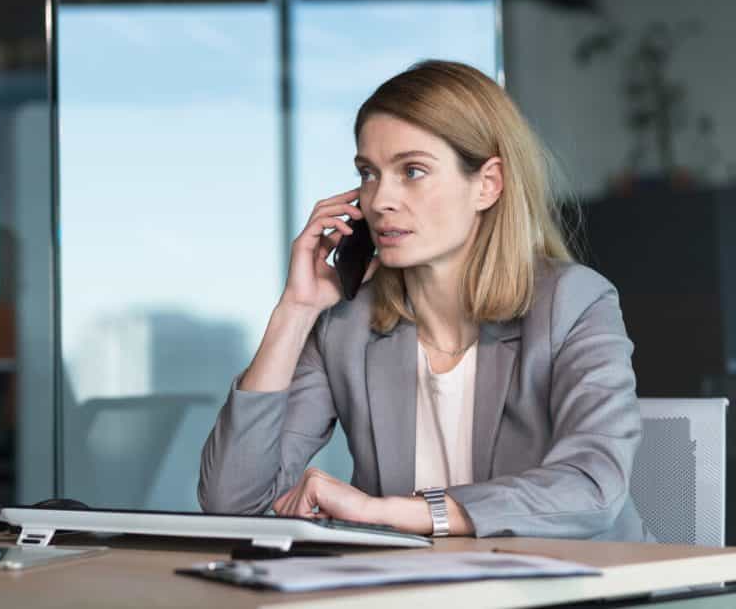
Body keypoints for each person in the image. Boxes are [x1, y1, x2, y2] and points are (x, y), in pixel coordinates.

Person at [198, 60, 653, 542]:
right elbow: (231, 501)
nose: (379, 200)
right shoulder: (347, 325)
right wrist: (294, 311)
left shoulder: (574, 303)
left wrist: (394, 513)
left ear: (488, 183)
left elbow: (592, 487)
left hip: (584, 587)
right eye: (368, 173)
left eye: (412, 171)